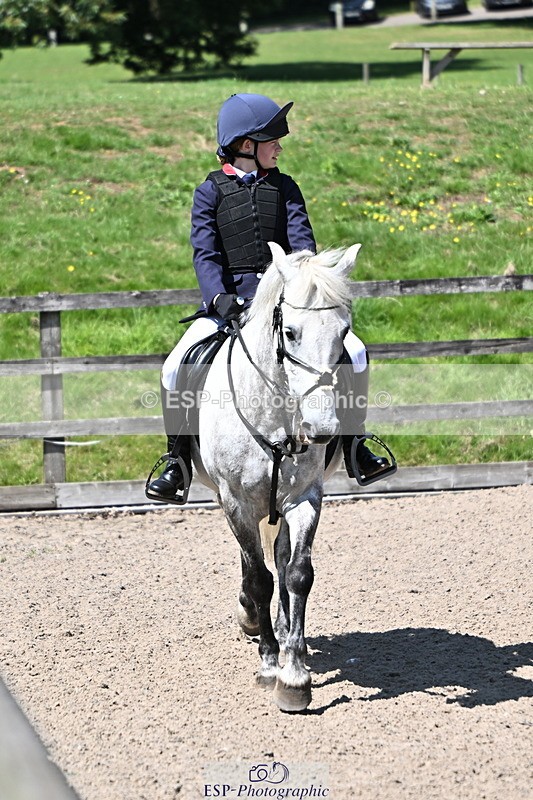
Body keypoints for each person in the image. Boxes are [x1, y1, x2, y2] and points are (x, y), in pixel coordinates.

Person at [146, 93, 392, 502]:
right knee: (175, 368)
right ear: (247, 145)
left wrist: (302, 284)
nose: (280, 146)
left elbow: (303, 246)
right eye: (272, 140)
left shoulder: (286, 188)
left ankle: (354, 445)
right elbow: (205, 254)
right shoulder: (210, 192)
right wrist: (219, 299)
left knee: (357, 351)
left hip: (288, 301)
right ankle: (177, 462)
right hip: (231, 305)